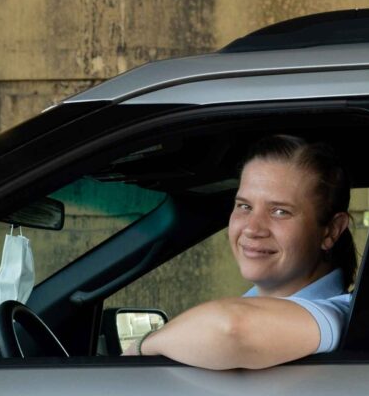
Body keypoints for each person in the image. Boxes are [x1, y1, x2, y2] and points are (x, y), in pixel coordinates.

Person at [140, 134, 354, 370]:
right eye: (244, 206)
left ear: (331, 231)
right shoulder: (236, 312)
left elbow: (231, 329)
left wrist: (142, 347)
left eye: (280, 211)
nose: (252, 228)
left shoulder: (345, 315)